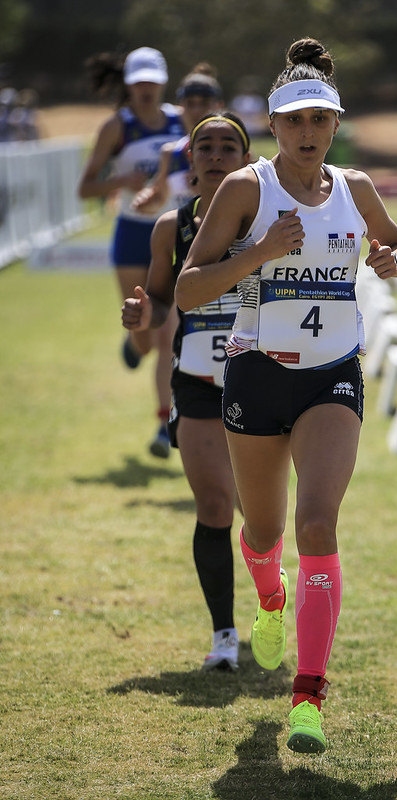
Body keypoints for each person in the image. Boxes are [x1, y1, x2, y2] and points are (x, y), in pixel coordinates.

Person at [175, 38, 397, 753]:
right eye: (294, 122)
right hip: (255, 374)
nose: (308, 133)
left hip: (333, 374)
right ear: (274, 127)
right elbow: (189, 289)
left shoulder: (356, 188)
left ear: (335, 124)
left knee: (317, 527)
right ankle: (269, 596)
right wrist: (258, 254)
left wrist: (390, 259)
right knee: (263, 534)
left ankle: (308, 696)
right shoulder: (245, 190)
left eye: (320, 120)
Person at [122, 111, 252, 670]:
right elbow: (155, 300)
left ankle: (271, 601)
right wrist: (139, 314)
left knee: (263, 516)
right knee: (216, 506)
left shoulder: (273, 220)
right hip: (198, 382)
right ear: (191, 161)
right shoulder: (169, 227)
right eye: (206, 146)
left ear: (247, 161)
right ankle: (224, 636)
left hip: (263, 381)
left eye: (229, 146)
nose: (217, 154)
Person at [78, 47, 185, 459]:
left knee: (166, 334)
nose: (144, 88)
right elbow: (86, 188)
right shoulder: (116, 127)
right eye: (137, 81)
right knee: (143, 334)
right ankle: (132, 346)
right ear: (128, 84)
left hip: (173, 234)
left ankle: (164, 424)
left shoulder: (181, 120)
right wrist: (120, 179)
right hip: (131, 236)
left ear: (161, 82)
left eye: (151, 80)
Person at [132, 64, 224, 214]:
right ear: (180, 107)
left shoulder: (234, 151)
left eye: (204, 103)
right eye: (190, 104)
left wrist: (208, 191)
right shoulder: (170, 153)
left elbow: (249, 203)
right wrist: (145, 199)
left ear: (219, 105)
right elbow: (157, 203)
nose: (197, 110)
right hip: (182, 237)